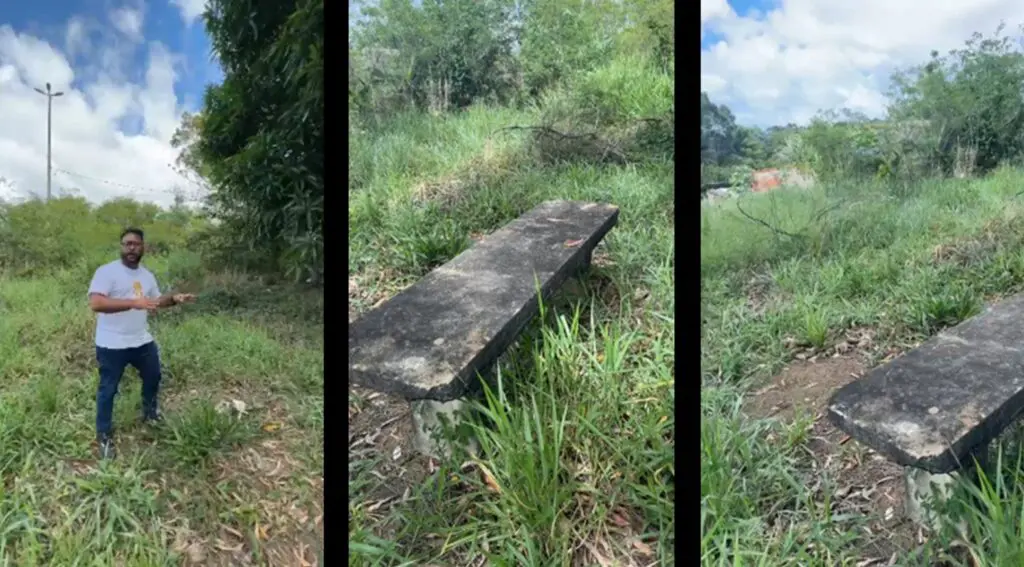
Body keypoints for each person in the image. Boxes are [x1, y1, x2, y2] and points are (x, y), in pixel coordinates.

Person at [87, 228, 195, 459]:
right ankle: (104, 434)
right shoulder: (107, 272)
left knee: (154, 376)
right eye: (127, 243)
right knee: (108, 388)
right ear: (121, 247)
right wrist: (133, 303)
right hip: (111, 343)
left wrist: (174, 299)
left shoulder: (146, 276)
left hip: (140, 340)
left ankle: (150, 414)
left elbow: (155, 301)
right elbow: (96, 303)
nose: (132, 248)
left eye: (136, 244)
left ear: (143, 247)